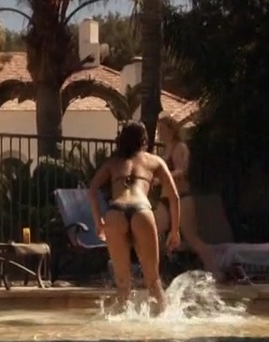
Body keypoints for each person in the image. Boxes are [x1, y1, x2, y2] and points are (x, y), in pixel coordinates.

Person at [89, 121, 181, 314]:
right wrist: (174, 231)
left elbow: (92, 189)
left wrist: (98, 221)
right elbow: (174, 197)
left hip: (115, 212)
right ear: (144, 141)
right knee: (153, 281)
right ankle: (163, 321)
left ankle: (122, 325)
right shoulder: (154, 161)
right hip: (142, 210)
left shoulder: (112, 163)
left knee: (122, 283)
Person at [153, 114, 220, 276]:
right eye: (159, 129)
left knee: (192, 238)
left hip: (182, 197)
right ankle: (156, 272)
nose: (160, 132)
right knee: (153, 230)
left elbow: (181, 171)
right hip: (166, 199)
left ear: (171, 130)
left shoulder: (180, 147)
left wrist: (161, 179)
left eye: (163, 129)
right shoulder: (165, 149)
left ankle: (215, 269)